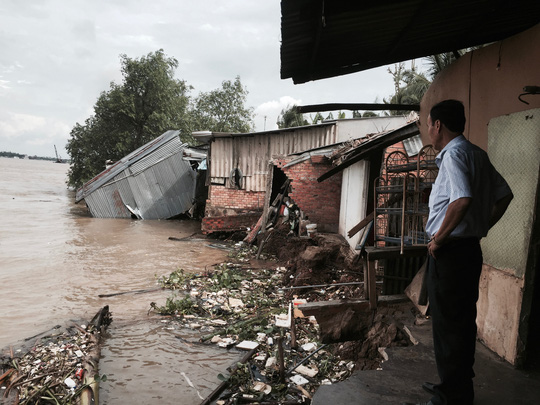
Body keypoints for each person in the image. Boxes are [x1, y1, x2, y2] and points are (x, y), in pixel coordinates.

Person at [402, 100, 513, 405]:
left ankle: (452, 395)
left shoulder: (453, 155)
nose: (428, 130)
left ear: (438, 125)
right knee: (461, 321)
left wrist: (438, 239)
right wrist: (482, 226)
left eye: (429, 124)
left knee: (449, 325)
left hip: (450, 253)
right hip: (468, 250)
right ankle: (456, 386)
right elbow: (505, 195)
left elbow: (461, 199)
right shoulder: (477, 153)